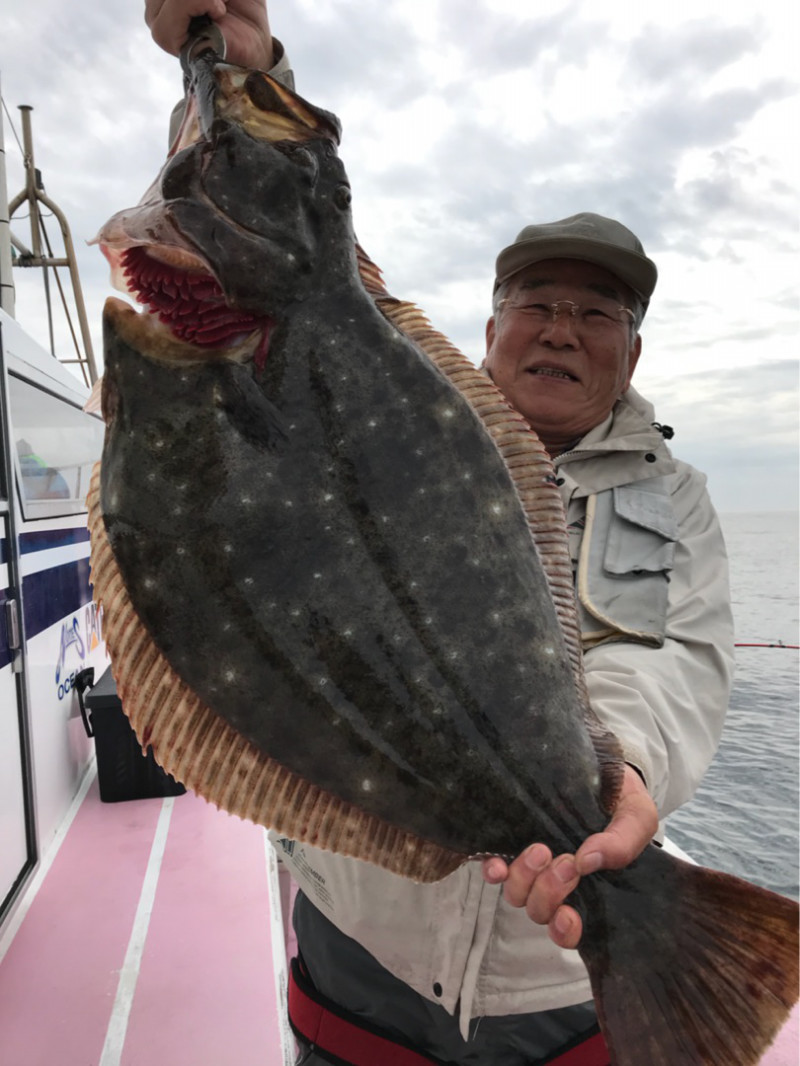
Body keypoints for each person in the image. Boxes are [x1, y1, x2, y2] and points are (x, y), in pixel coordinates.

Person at [145, 4, 735, 1063]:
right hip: (356, 961)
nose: (560, 327)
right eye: (536, 302)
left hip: (556, 992)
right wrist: (249, 69)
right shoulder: (384, 392)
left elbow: (672, 663)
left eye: (595, 314)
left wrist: (616, 782)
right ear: (487, 326)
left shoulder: (670, 500)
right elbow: (294, 247)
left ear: (631, 356)